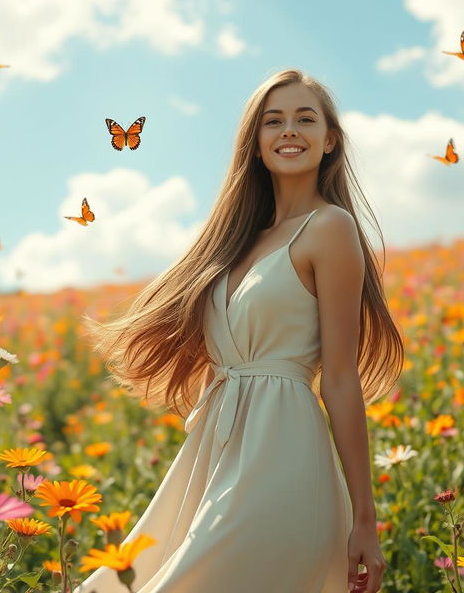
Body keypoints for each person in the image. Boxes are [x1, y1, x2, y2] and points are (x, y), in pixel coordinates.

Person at [75, 68, 404, 592]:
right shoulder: (233, 244)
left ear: (330, 139)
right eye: (273, 121)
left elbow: (340, 379)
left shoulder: (331, 228)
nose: (289, 131)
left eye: (305, 119)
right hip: (216, 451)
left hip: (285, 453)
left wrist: (366, 519)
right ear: (255, 143)